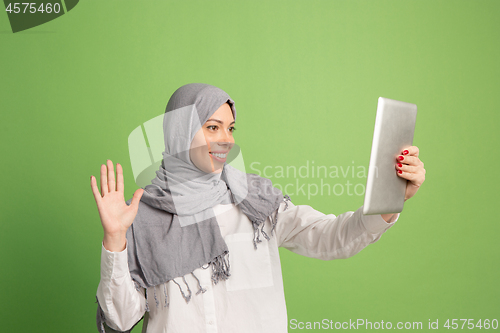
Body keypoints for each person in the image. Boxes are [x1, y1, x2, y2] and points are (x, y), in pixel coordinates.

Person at [90, 83, 426, 333]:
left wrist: (389, 199)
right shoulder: (140, 216)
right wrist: (115, 240)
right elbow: (120, 320)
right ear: (179, 132)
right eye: (212, 127)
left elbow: (330, 237)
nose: (227, 139)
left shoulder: (256, 200)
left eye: (230, 128)